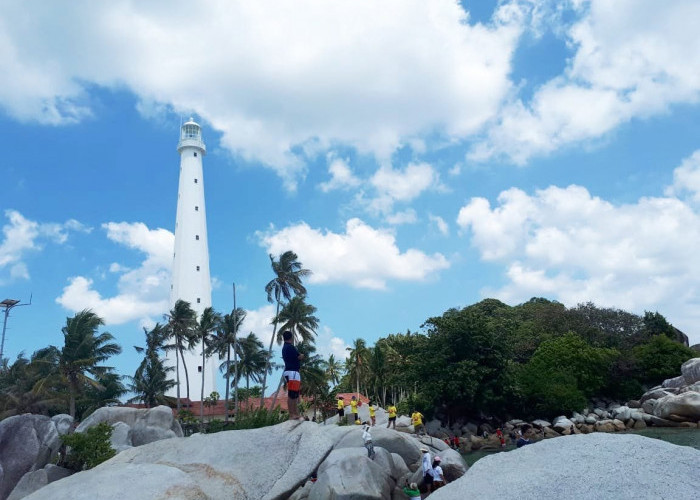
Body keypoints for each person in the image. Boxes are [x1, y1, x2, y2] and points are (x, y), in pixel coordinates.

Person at [281, 330, 304, 420]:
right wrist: (301, 356)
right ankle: (292, 414)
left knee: (294, 394)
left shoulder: (285, 348)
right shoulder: (290, 347)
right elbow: (298, 357)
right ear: (291, 338)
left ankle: (295, 413)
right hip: (293, 372)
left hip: (289, 371)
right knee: (292, 394)